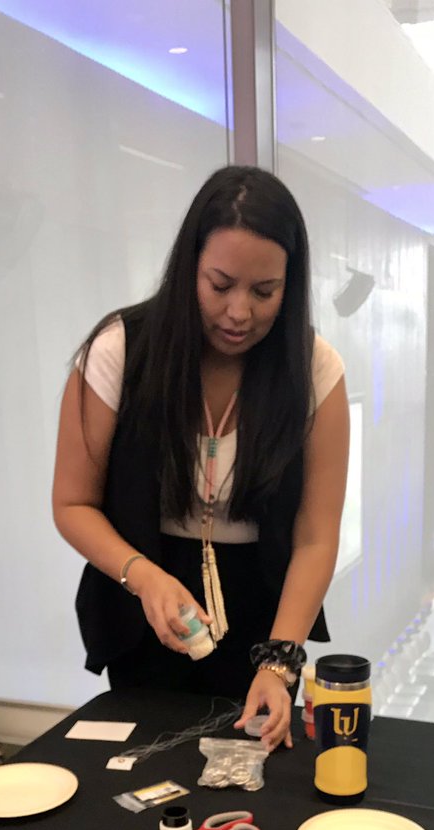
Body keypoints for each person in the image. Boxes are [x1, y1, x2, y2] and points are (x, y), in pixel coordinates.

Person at [52, 166, 350, 752]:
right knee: (147, 774)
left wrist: (281, 661)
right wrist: (145, 579)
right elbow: (72, 503)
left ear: (290, 285)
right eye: (220, 285)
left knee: (260, 781)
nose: (240, 311)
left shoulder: (314, 369)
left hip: (266, 606)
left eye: (264, 292)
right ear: (190, 265)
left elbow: (316, 536)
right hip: (147, 600)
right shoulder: (120, 349)